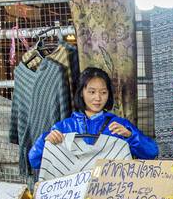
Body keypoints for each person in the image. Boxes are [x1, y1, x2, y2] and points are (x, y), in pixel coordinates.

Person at [28, 66, 157, 171]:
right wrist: (45, 142)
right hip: (75, 198)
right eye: (91, 92)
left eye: (103, 92)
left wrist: (130, 135)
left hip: (108, 197)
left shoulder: (119, 126)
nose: (98, 98)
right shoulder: (63, 127)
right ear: (81, 93)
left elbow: (151, 153)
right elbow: (34, 161)